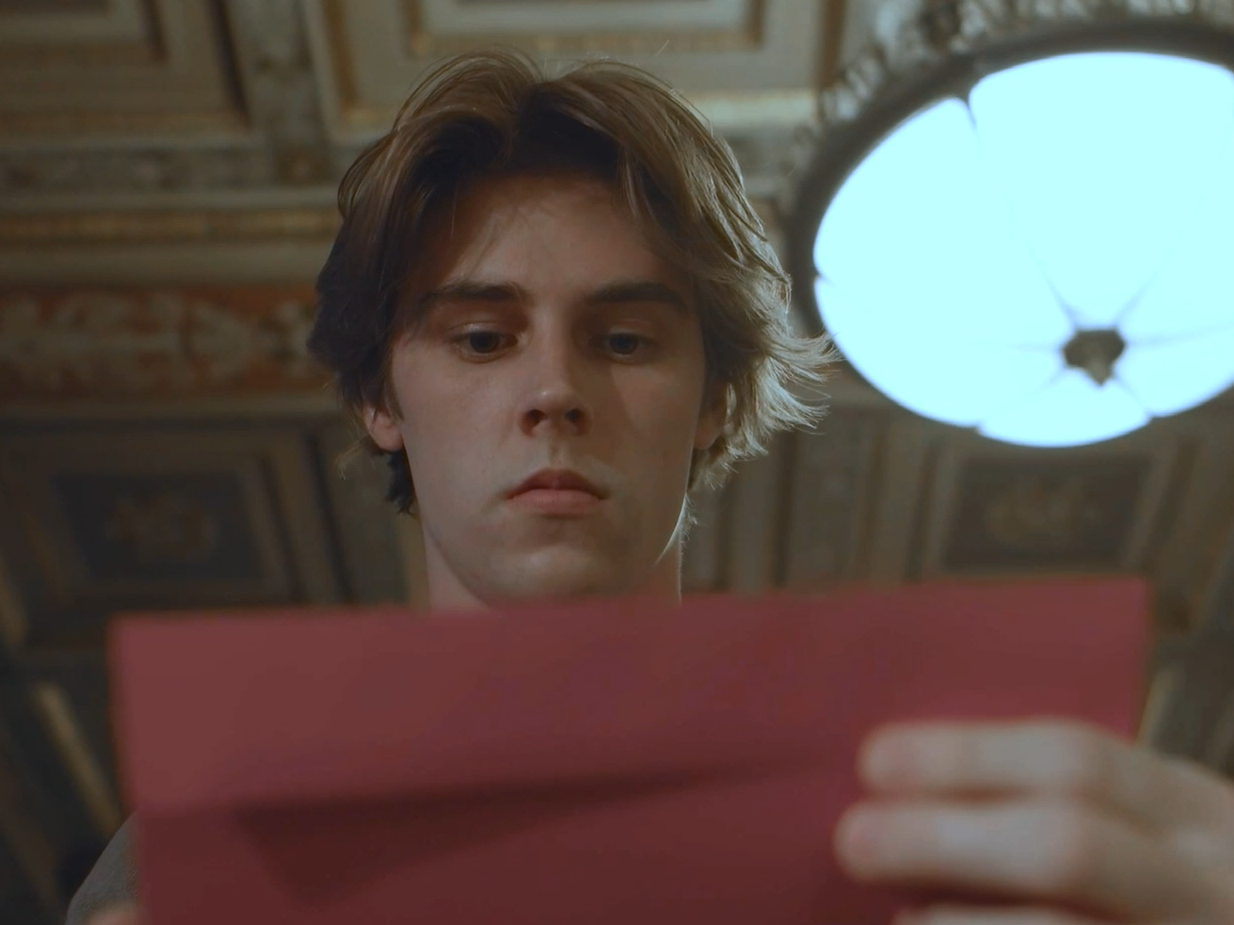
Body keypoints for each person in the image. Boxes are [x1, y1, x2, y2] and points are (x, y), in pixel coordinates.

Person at [69, 47, 1234, 925]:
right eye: (480, 338)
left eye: (623, 340)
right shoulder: (199, 856)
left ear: (713, 398)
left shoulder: (939, 809)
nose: (553, 389)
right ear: (382, 396)